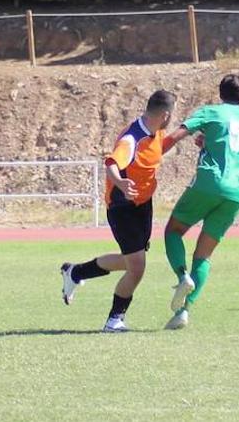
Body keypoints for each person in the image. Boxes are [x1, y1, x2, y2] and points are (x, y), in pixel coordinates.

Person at [60, 91, 181, 333]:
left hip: (142, 206)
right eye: (173, 115)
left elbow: (159, 147)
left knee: (129, 262)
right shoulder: (132, 138)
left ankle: (75, 272)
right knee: (137, 268)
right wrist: (121, 183)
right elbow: (112, 163)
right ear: (166, 115)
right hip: (123, 208)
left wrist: (190, 131)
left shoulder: (155, 131)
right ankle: (114, 320)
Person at [159, 74, 239, 331]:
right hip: (236, 191)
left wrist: (147, 156)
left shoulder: (211, 112)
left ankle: (182, 276)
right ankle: (184, 311)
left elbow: (175, 136)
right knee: (203, 255)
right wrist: (210, 143)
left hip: (208, 183)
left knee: (173, 231)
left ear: (220, 93)